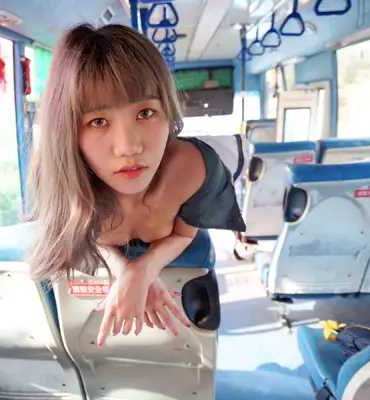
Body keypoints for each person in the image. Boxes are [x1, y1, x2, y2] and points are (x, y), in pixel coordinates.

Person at [26, 23, 246, 347]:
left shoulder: (191, 168)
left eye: (145, 112)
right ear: (68, 131)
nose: (128, 147)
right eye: (98, 121)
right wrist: (126, 271)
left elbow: (184, 234)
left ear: (167, 113)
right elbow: (81, 236)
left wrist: (144, 271)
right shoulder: (64, 182)